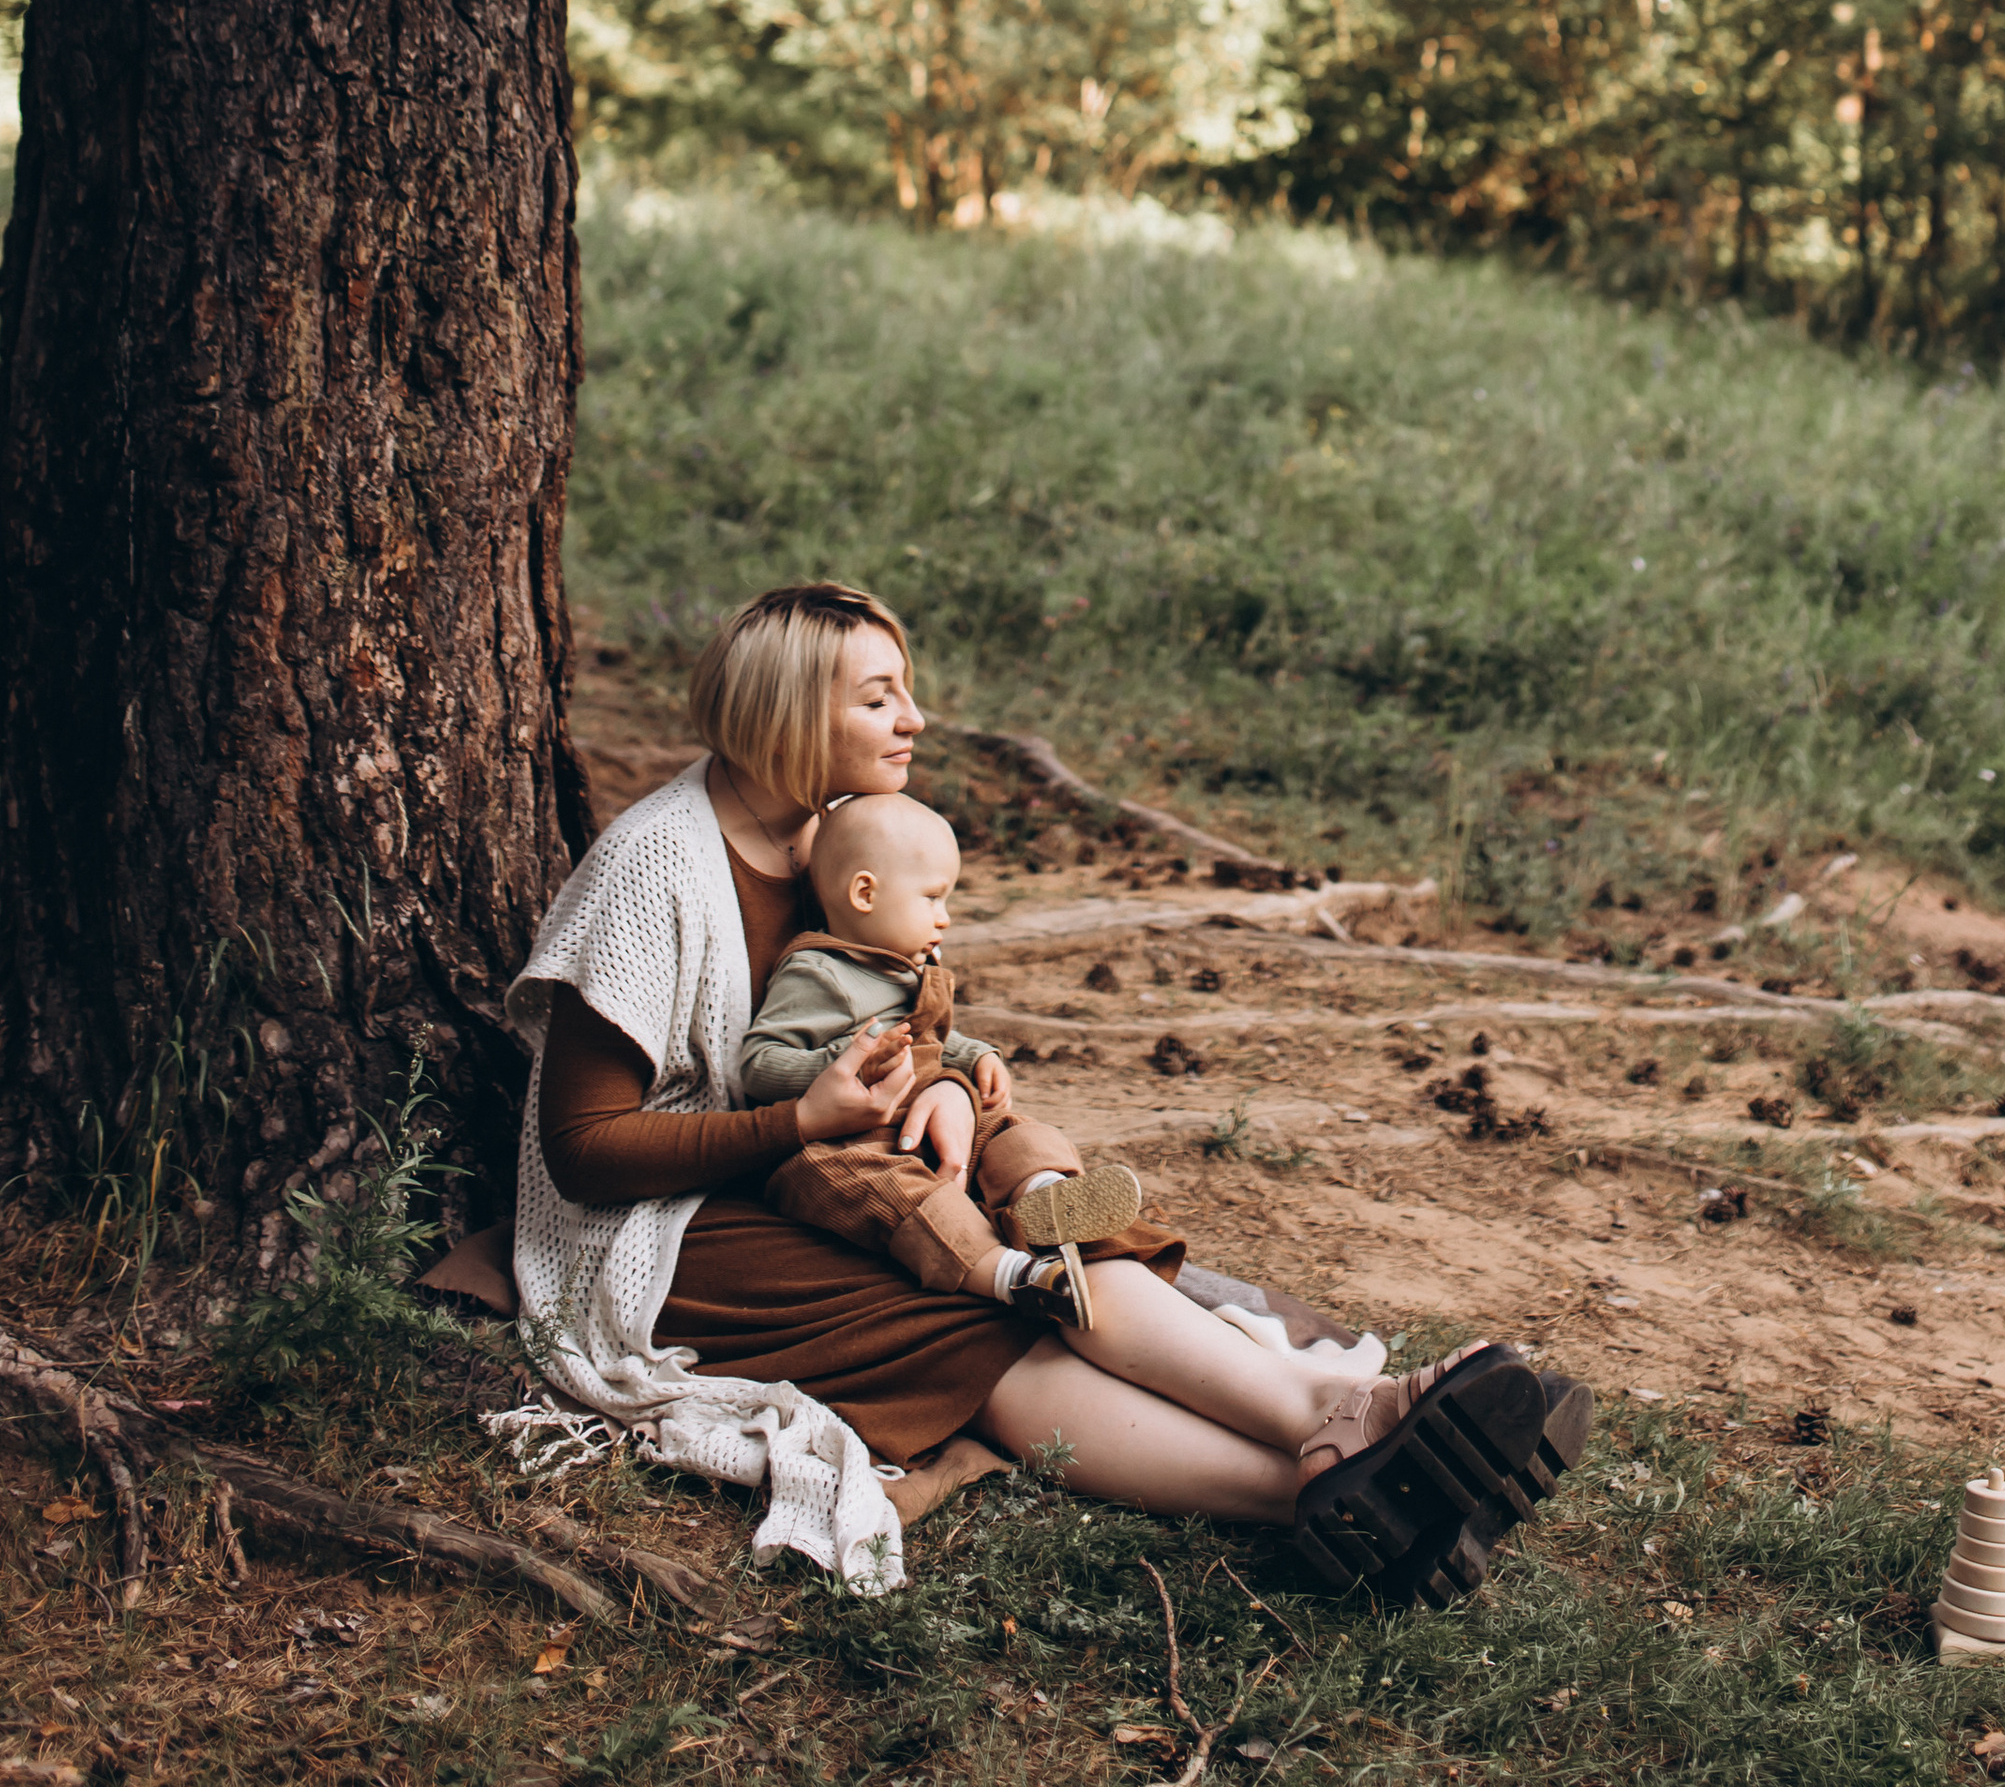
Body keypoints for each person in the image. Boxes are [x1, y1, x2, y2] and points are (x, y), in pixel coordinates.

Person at [510, 579, 1587, 1602]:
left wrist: (941, 1085)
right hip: (668, 1227)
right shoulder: (656, 867)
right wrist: (801, 1117)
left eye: (906, 687)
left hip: (831, 1157)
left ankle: (1343, 1412)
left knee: (1045, 1227)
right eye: (877, 695)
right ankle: (1327, 1494)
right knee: (960, 1317)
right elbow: (584, 1151)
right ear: (788, 712)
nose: (915, 718)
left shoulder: (834, 837)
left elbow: (877, 1020)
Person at [740, 792, 1149, 1321]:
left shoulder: (901, 966)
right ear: (865, 893)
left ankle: (1045, 1194)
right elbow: (757, 1063)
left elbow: (929, 1037)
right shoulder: (819, 973)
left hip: (923, 1115)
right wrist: (843, 1064)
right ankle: (1012, 1276)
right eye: (933, 898)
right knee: (896, 1198)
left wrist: (975, 1054)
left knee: (1008, 1130)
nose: (946, 918)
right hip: (848, 1143)